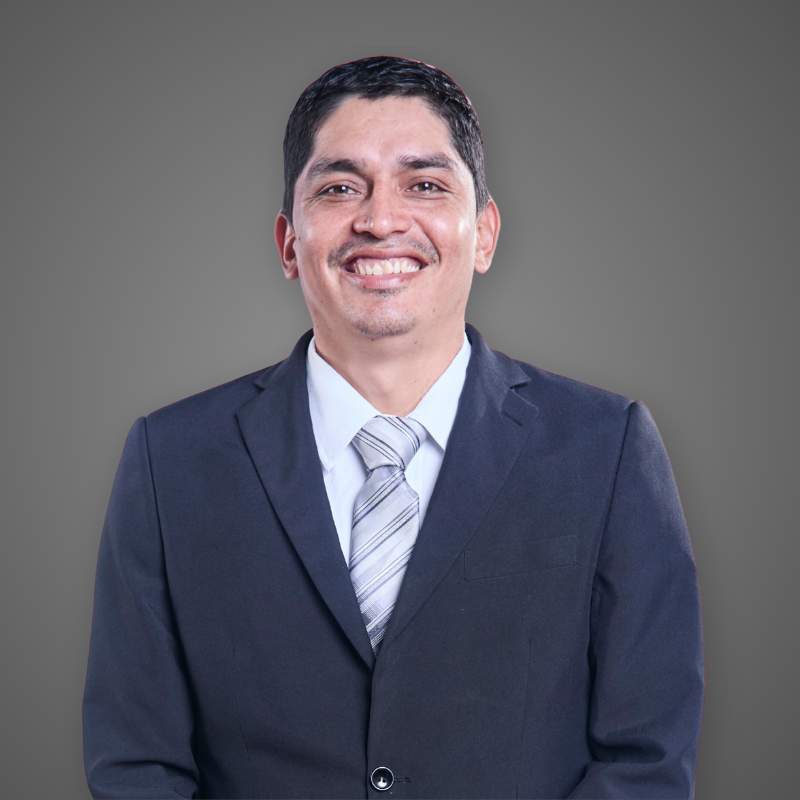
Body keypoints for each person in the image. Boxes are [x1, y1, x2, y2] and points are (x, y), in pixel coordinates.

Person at [83, 56, 703, 799]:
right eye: (340, 187)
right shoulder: (172, 460)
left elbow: (646, 758)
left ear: (484, 234)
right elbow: (136, 762)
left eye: (426, 185)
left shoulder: (605, 449)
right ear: (288, 242)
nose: (380, 219)